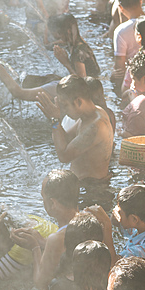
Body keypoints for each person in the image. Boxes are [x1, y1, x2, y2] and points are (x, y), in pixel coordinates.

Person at [36, 75, 114, 205]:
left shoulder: (96, 126)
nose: (64, 111)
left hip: (93, 192)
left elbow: (64, 155)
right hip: (84, 187)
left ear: (78, 101)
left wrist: (55, 120)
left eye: (65, 106)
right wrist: (55, 121)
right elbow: (65, 139)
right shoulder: (87, 116)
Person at [7, 170, 80, 290]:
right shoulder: (90, 219)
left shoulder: (57, 239)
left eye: (43, 197)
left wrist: (35, 247)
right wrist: (43, 242)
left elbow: (40, 283)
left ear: (52, 203)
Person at [90, 183, 145, 270]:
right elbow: (116, 222)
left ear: (134, 219)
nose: (118, 213)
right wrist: (115, 213)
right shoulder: (142, 226)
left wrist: (107, 225)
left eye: (120, 213)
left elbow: (113, 264)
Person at [47, 13, 100, 79]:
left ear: (68, 31)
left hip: (89, 87)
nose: (57, 37)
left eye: (59, 34)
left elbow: (82, 83)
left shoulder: (78, 52)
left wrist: (66, 63)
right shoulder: (77, 40)